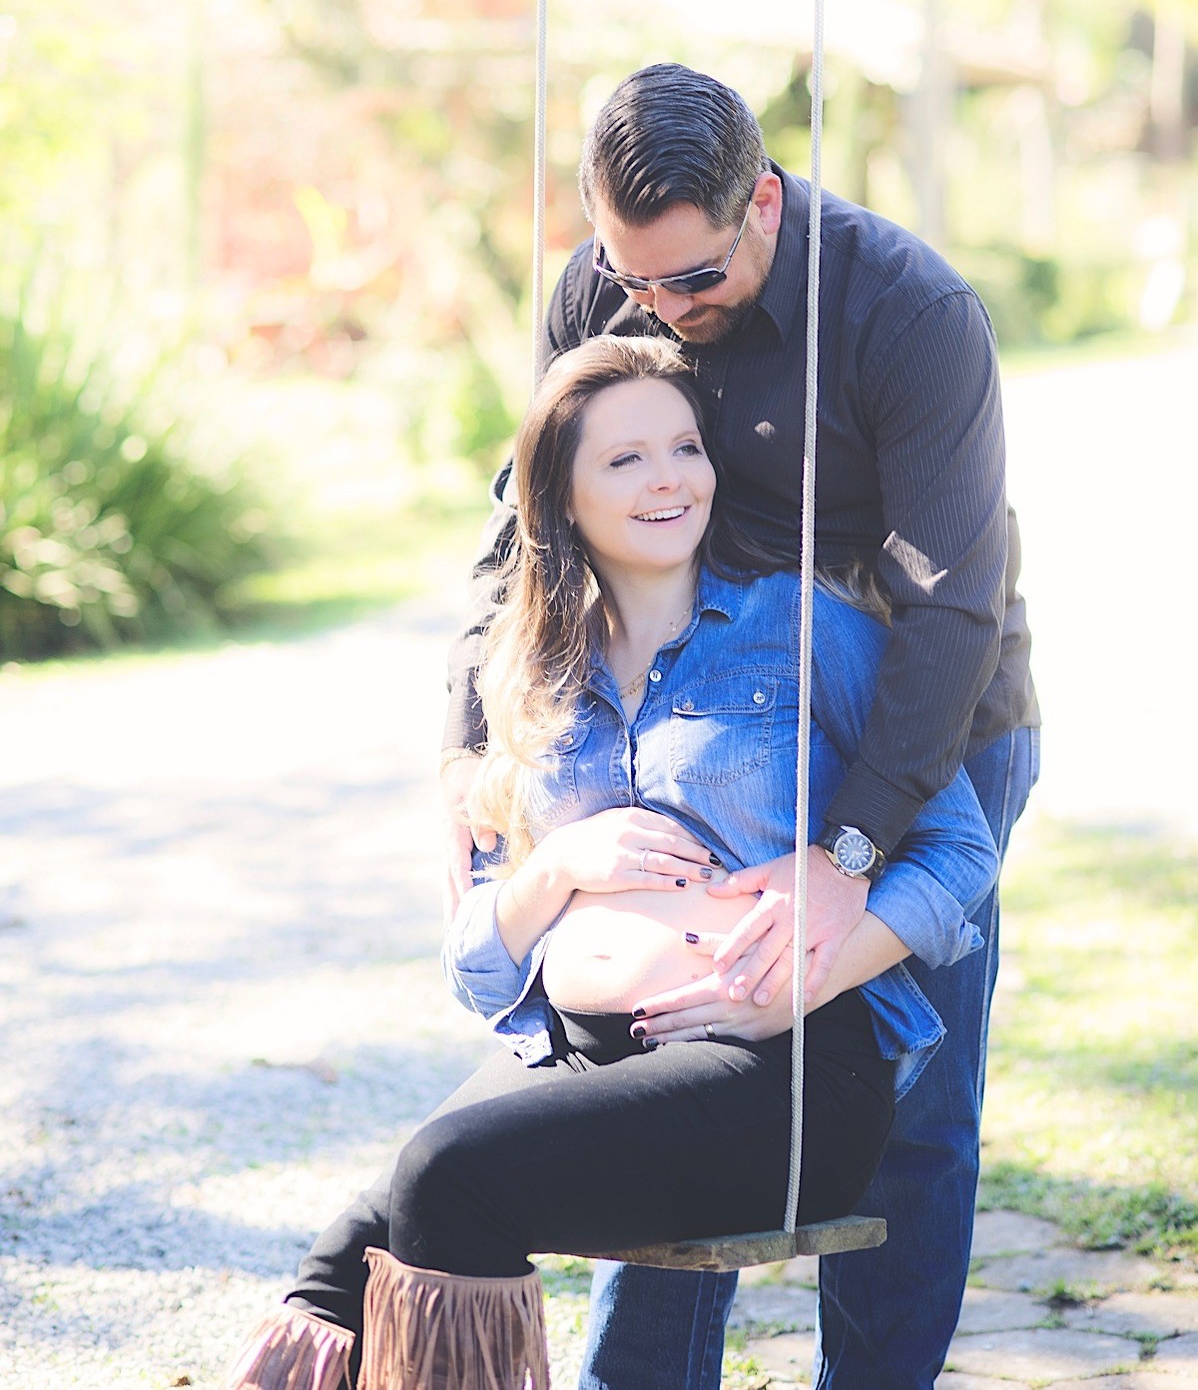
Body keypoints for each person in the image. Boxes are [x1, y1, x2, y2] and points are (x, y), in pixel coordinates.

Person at [222, 335, 998, 1390]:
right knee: (344, 1256)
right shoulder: (528, 676)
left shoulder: (805, 628)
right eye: (625, 460)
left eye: (684, 447)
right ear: (561, 500)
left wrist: (813, 974)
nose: (669, 478)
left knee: (449, 1176)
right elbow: (476, 968)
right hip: (579, 1050)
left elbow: (959, 851)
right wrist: (558, 869)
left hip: (784, 1072)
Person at [440, 65, 1040, 1390]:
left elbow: (951, 616)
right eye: (629, 277)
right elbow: (524, 532)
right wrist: (471, 764)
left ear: (759, 201)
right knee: (667, 1035)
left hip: (917, 710)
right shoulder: (609, 285)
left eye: (691, 282)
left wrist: (847, 848)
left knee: (909, 1102)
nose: (657, 310)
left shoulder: (908, 313)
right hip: (697, 695)